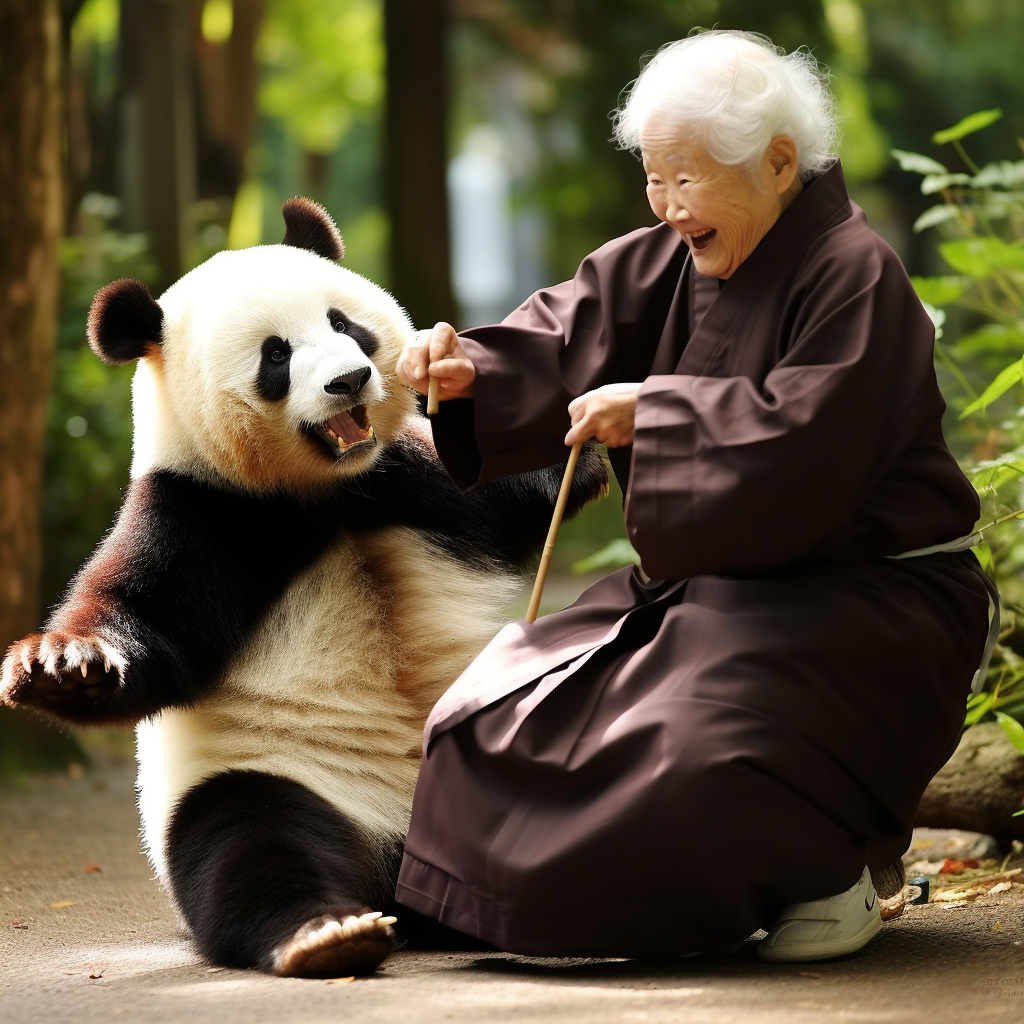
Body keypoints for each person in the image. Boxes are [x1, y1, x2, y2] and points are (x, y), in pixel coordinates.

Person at [392, 29, 995, 963]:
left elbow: (808, 445)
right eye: (654, 179)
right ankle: (501, 903)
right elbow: (563, 331)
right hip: (722, 602)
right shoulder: (667, 261)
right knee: (485, 719)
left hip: (866, 610)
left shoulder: (856, 273)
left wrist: (660, 416)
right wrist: (467, 367)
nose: (668, 207)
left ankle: (827, 868)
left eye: (688, 179)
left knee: (685, 757)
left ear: (779, 162)